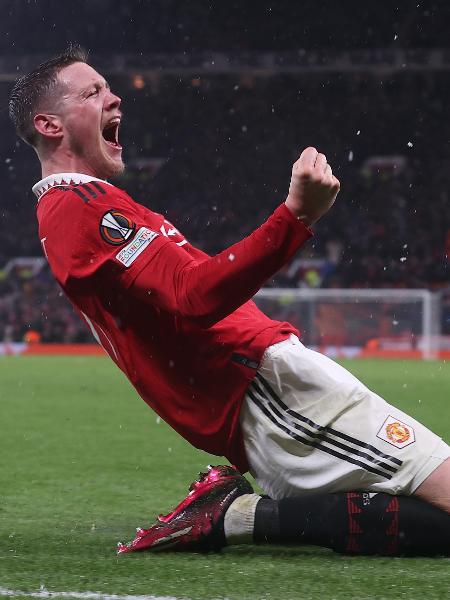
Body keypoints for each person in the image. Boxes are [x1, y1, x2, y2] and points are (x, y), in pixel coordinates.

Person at [9, 45, 450, 557]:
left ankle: (238, 517)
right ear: (49, 125)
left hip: (265, 381)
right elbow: (193, 296)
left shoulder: (86, 203)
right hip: (264, 388)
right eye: (93, 92)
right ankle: (237, 518)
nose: (115, 98)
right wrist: (296, 217)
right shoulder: (79, 209)